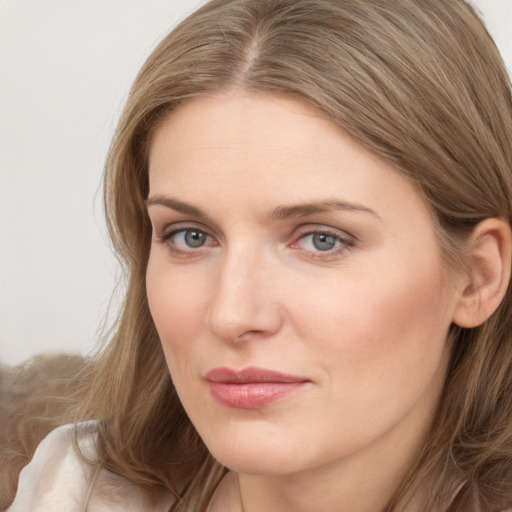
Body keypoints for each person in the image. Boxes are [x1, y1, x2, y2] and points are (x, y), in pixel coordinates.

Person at [5, 0, 512, 510]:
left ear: (477, 277)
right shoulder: (78, 491)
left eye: (321, 240)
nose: (231, 315)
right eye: (191, 236)